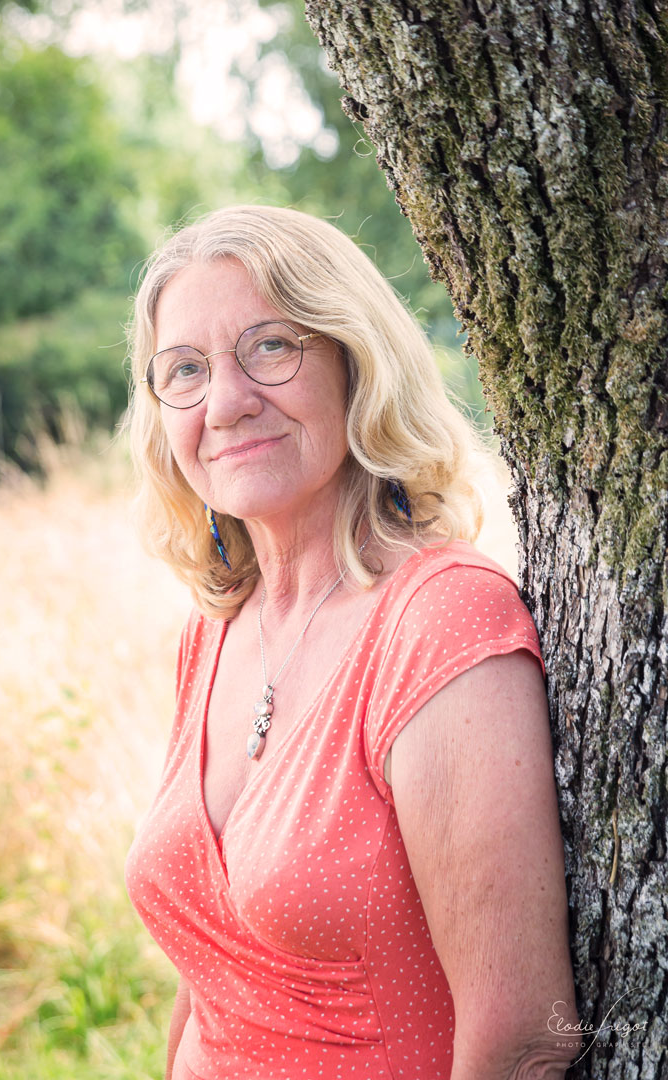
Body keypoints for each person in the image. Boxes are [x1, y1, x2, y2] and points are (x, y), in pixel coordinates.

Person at [124, 204, 579, 1080]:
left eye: (271, 346)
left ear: (353, 363)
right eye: (185, 369)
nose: (226, 402)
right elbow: (211, 985)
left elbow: (525, 1041)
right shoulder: (218, 630)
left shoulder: (441, 621)